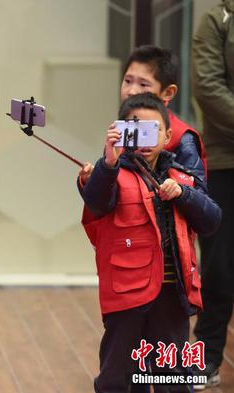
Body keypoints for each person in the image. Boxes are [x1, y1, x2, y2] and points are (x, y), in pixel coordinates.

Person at [79, 93, 221, 393]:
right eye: (135, 129)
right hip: (127, 296)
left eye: (151, 130)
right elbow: (96, 201)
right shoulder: (111, 173)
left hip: (172, 294)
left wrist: (183, 194)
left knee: (172, 377)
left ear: (168, 135)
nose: (143, 138)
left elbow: (211, 220)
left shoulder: (179, 176)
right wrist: (108, 162)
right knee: (119, 376)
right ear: (121, 131)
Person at [79, 45, 206, 184]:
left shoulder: (182, 138)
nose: (131, 91)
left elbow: (198, 194)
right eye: (127, 81)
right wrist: (94, 179)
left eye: (144, 84)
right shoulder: (121, 128)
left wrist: (180, 191)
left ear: (168, 92)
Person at [191, 1, 234, 389]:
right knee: (219, 267)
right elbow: (207, 87)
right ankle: (205, 358)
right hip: (226, 161)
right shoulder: (217, 18)